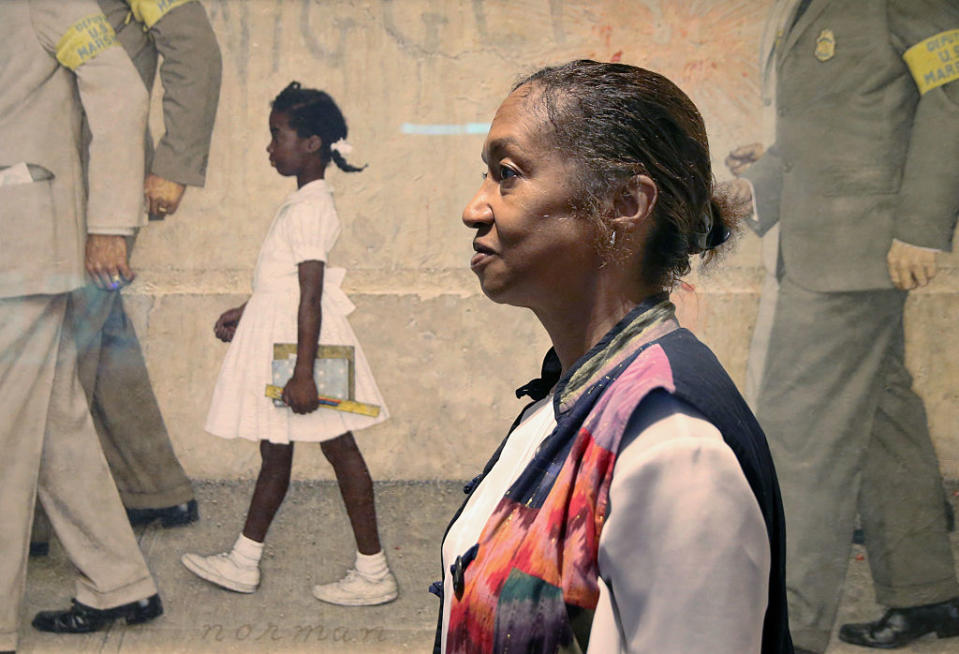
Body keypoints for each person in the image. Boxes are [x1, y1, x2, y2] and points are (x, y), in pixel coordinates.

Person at [433, 60, 794, 654]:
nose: (475, 207)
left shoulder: (676, 450)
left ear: (625, 203)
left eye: (508, 173)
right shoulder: (575, 393)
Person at [724, 1, 959, 652]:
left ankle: (787, 630)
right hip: (827, 243)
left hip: (856, 253)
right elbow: (844, 121)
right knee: (884, 419)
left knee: (797, 442)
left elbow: (951, 95)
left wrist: (920, 228)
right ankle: (926, 593)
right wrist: (760, 183)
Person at [180, 82, 398, 607]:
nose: (270, 147)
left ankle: (373, 572)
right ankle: (243, 560)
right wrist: (248, 308)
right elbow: (281, 286)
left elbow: (310, 296)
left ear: (312, 144)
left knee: (340, 448)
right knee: (274, 452)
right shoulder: (302, 202)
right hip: (287, 341)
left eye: (278, 135)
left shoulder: (311, 208)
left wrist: (304, 373)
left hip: (306, 349)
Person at [0, 1, 164, 650]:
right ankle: (117, 582)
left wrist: (109, 224)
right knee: (52, 419)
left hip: (22, 244)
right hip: (17, 248)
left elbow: (120, 90)